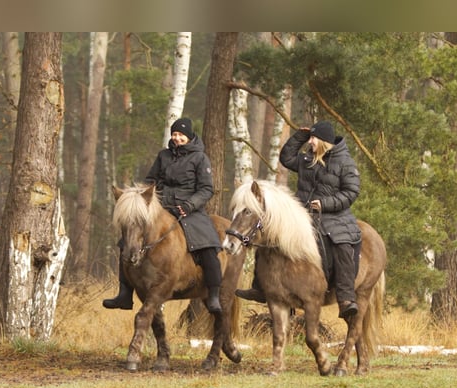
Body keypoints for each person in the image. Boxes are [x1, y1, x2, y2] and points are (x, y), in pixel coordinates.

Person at [236, 120, 362, 319]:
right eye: (310, 138)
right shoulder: (306, 159)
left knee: (341, 246)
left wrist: (325, 204)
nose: (310, 142)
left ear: (324, 141)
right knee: (266, 235)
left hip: (333, 216)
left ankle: (345, 297)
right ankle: (259, 287)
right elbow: (286, 158)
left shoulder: (345, 162)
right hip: (302, 213)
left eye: (313, 138)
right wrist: (299, 137)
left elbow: (351, 192)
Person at [103, 117, 223, 314]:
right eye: (174, 134)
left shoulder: (200, 158)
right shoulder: (163, 156)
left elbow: (206, 189)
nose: (176, 138)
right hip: (161, 208)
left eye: (180, 135)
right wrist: (141, 200)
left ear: (189, 136)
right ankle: (124, 293)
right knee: (126, 242)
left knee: (208, 245)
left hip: (189, 210)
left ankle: (214, 295)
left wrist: (188, 205)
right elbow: (150, 181)